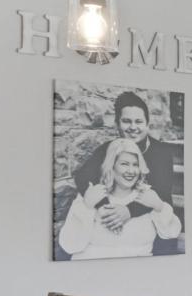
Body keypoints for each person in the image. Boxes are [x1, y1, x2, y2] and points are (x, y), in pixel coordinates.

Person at [72, 92, 181, 232]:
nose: (133, 127)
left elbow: (162, 193)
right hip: (111, 219)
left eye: (139, 122)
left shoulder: (162, 152)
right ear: (117, 123)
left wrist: (128, 211)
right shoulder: (107, 149)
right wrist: (106, 207)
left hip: (151, 222)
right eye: (127, 121)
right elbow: (82, 177)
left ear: (147, 124)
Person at [58, 139, 182, 259]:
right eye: (124, 164)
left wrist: (159, 206)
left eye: (135, 165)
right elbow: (69, 245)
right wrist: (86, 207)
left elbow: (171, 233)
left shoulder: (147, 195)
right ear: (111, 166)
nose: (131, 171)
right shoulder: (93, 194)